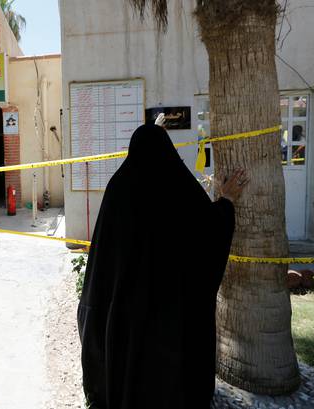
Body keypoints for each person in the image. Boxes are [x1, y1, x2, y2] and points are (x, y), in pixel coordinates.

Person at [77, 124, 249, 408]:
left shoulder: (119, 187)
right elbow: (209, 232)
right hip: (171, 319)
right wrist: (227, 201)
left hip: (125, 318)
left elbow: (103, 259)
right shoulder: (178, 185)